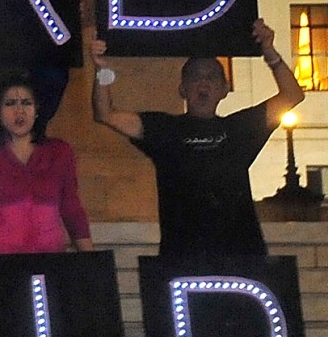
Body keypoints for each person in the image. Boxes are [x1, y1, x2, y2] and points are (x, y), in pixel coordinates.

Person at [89, 19, 303, 259]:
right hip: (182, 255)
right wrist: (101, 69)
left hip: (240, 254)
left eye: (211, 77)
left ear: (224, 89)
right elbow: (105, 114)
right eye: (195, 77)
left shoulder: (239, 129)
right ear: (182, 88)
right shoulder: (164, 129)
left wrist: (269, 52)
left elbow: (292, 96)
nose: (203, 83)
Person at [0, 74, 95, 257]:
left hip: (49, 261)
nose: (19, 111)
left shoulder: (60, 152)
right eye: (10, 103)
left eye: (26, 103)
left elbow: (72, 209)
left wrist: (92, 263)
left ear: (37, 110)